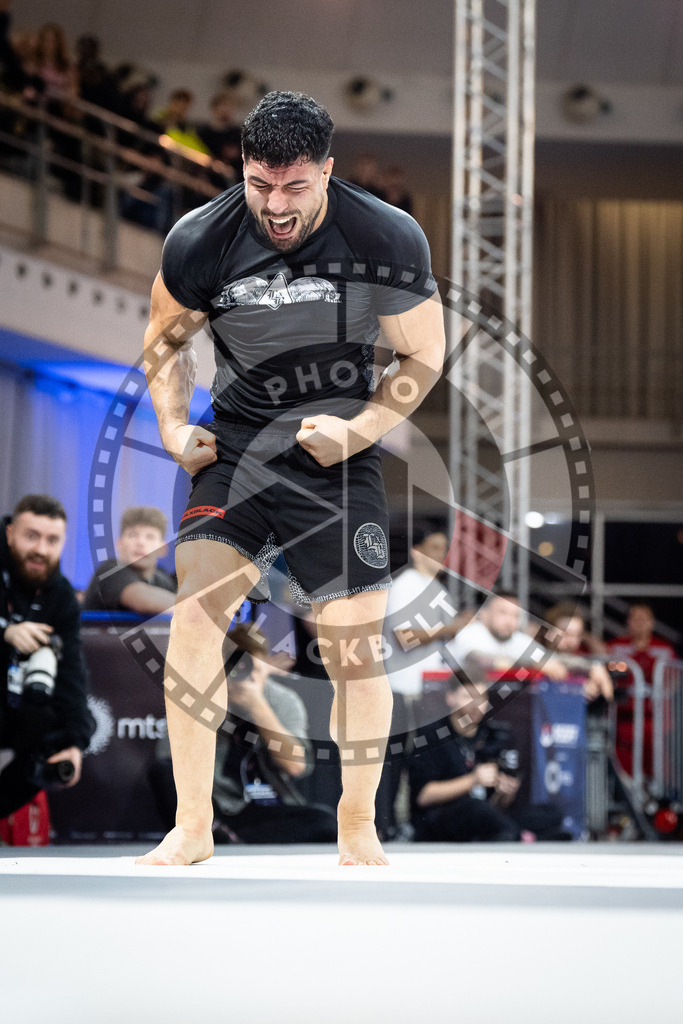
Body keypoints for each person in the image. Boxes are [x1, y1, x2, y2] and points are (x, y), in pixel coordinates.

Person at [137, 89, 445, 866]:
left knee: (351, 651)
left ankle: (356, 825)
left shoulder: (384, 233)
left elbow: (423, 353)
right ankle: (193, 828)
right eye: (259, 184)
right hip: (235, 450)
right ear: (241, 169)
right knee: (195, 622)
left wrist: (362, 428)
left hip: (335, 456)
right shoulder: (199, 239)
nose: (275, 205)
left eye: (294, 187)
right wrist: (174, 427)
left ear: (326, 172)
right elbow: (163, 342)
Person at [151, 624, 337, 844]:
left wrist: (258, 706)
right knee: (161, 772)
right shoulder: (200, 697)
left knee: (323, 821)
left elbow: (296, 766)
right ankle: (211, 832)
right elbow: (169, 759)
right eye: (234, 665)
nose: (243, 671)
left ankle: (229, 838)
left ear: (265, 665)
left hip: (265, 804)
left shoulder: (284, 700)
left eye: (251, 665)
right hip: (215, 804)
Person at [0, 494, 94, 819]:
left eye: (52, 539)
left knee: (61, 739)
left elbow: (71, 674)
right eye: (31, 536)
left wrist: (74, 741)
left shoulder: (62, 596)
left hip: (16, 699)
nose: (41, 549)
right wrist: (5, 633)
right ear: (10, 533)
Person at [408, 677, 565, 842]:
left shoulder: (492, 734)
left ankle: (516, 835)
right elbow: (423, 796)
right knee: (475, 808)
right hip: (442, 819)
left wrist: (504, 792)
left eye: (481, 698)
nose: (476, 704)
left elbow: (496, 806)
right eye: (468, 696)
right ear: (450, 697)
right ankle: (522, 836)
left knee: (552, 812)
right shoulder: (431, 735)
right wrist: (473, 780)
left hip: (486, 816)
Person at [383, 521, 471, 700]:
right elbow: (404, 637)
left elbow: (449, 635)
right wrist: (453, 628)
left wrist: (465, 624)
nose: (441, 554)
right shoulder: (405, 585)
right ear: (416, 552)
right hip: (407, 687)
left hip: (434, 685)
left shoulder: (440, 589)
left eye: (444, 549)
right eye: (434, 548)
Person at [446, 590, 568, 681]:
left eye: (516, 615)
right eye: (503, 613)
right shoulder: (470, 633)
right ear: (484, 614)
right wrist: (536, 665)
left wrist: (585, 670)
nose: (510, 621)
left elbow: (552, 660)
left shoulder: (519, 639)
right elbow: (480, 661)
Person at [82, 506, 176, 616]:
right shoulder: (109, 572)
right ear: (119, 544)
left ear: (162, 549)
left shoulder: (163, 580)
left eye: (150, 537)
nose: (140, 542)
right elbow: (143, 600)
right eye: (133, 535)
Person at [545, 602, 613, 703]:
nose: (571, 641)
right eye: (566, 634)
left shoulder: (585, 666)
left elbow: (608, 695)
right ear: (549, 632)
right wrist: (578, 688)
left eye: (577, 635)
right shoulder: (535, 655)